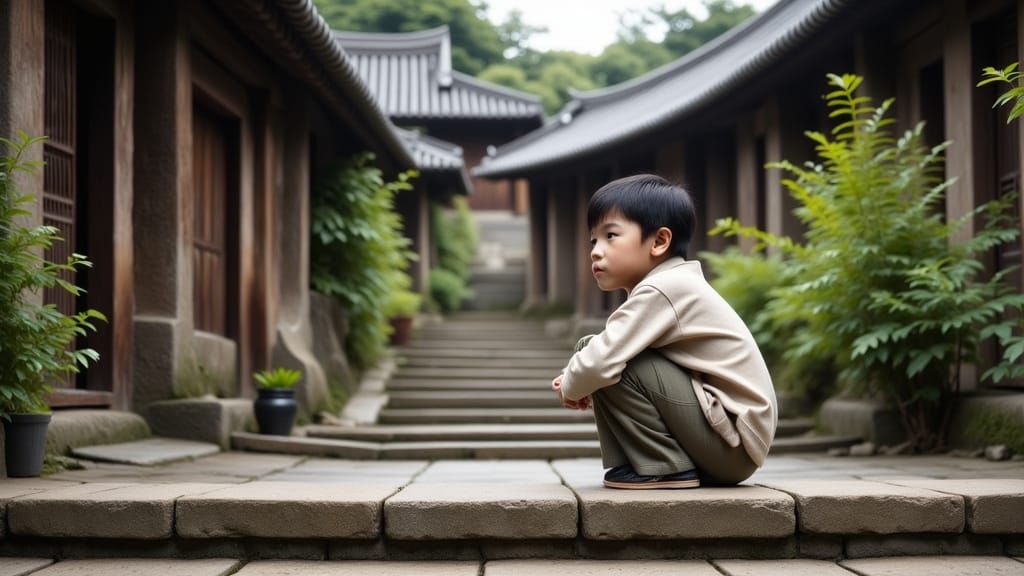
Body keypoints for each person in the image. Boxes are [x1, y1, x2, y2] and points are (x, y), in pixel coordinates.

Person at [551, 174, 777, 489]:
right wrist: (578, 376)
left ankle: (663, 467)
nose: (595, 251)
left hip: (733, 444)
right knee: (600, 351)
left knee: (599, 351)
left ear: (659, 241)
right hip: (730, 442)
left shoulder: (663, 288)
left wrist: (571, 385)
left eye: (611, 236)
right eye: (593, 240)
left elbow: (599, 361)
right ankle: (644, 462)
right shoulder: (670, 285)